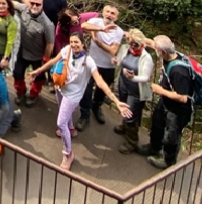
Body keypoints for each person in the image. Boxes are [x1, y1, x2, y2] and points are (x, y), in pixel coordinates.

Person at [29, 34, 132, 171]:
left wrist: (116, 101)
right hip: (61, 87)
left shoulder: (89, 62)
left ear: (83, 44)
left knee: (60, 123)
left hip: (73, 95)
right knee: (64, 116)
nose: (73, 45)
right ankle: (71, 129)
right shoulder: (67, 50)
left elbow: (100, 82)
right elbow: (54, 61)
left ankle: (68, 153)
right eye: (71, 42)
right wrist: (38, 71)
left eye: (76, 42)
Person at [137, 35, 193, 169]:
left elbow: (183, 97)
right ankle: (154, 147)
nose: (154, 49)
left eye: (157, 49)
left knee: (171, 135)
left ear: (163, 52)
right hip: (166, 101)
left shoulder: (178, 71)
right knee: (157, 122)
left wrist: (160, 90)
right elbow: (152, 42)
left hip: (178, 109)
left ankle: (168, 160)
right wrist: (135, 36)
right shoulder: (170, 54)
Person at [77, 5, 124, 128]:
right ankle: (84, 115)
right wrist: (101, 29)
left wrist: (97, 41)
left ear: (116, 17)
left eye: (113, 13)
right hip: (92, 63)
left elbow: (113, 51)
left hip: (108, 66)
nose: (109, 14)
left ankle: (96, 107)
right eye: (107, 12)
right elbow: (83, 26)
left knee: (101, 91)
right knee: (86, 90)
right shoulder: (96, 22)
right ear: (103, 12)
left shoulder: (118, 31)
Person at [114, 28, 154, 154]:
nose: (132, 46)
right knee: (124, 108)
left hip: (136, 90)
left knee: (131, 115)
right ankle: (125, 126)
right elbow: (120, 62)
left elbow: (146, 78)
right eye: (130, 43)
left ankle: (132, 142)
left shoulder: (146, 57)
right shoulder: (125, 48)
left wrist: (133, 77)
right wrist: (116, 61)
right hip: (123, 85)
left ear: (142, 43)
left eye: (135, 44)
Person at [12, 0, 55, 107]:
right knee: (17, 73)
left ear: (42, 5)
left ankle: (34, 94)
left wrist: (45, 60)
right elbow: (13, 3)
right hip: (23, 51)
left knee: (39, 77)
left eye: (38, 4)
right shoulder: (24, 9)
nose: (35, 6)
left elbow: (50, 44)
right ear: (28, 3)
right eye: (32, 3)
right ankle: (20, 92)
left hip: (38, 56)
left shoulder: (47, 24)